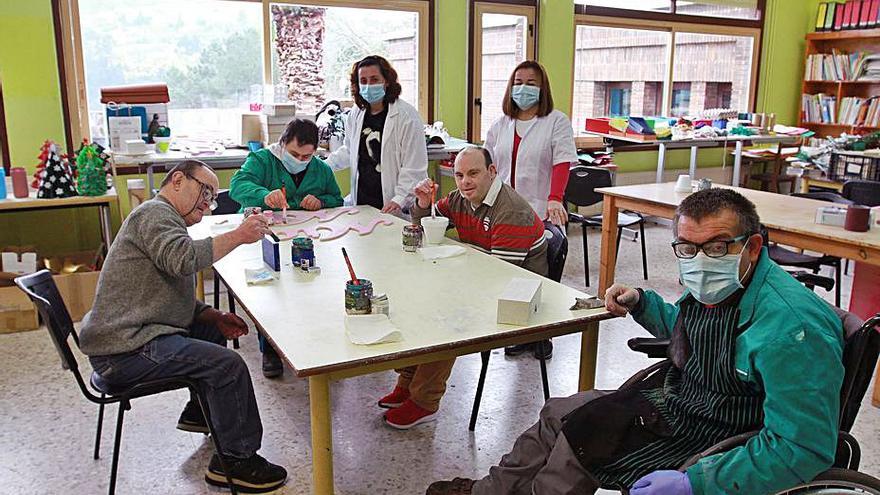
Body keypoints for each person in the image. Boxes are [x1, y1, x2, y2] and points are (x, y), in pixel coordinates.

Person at [426, 188, 844, 495]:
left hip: (720, 430)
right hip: (685, 401)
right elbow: (692, 333)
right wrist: (643, 304)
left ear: (752, 246)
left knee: (583, 438)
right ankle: (489, 491)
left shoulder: (791, 331)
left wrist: (694, 483)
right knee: (558, 411)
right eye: (687, 248)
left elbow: (802, 448)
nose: (700, 262)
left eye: (716, 247)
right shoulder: (727, 283)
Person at [79, 160, 288, 493]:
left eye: (211, 196)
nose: (207, 203)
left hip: (129, 336)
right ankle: (235, 461)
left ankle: (199, 411)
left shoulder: (163, 218)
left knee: (212, 330)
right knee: (229, 365)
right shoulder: (154, 215)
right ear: (177, 180)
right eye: (203, 191)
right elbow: (183, 260)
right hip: (123, 352)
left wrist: (210, 315)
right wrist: (238, 235)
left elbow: (160, 293)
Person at [379, 146, 548, 430]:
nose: (465, 181)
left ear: (492, 172)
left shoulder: (511, 210)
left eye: (473, 173)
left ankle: (425, 401)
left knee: (446, 314)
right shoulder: (460, 199)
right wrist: (421, 204)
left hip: (517, 294)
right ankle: (408, 382)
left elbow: (500, 276)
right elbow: (425, 225)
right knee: (417, 297)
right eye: (459, 175)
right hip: (485, 276)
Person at [230, 118, 344, 378]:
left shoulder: (320, 169)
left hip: (307, 238)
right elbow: (237, 187)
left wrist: (321, 200)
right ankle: (269, 348)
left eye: (307, 156)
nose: (300, 160)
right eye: (294, 154)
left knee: (313, 285)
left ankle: (314, 338)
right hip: (266, 237)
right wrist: (263, 194)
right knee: (271, 290)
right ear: (282, 145)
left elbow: (336, 199)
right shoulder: (261, 160)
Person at [484, 60, 578, 361]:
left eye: (531, 83)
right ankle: (519, 334)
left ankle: (543, 334)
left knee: (543, 275)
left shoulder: (556, 121)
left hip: (541, 208)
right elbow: (489, 167)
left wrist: (554, 198)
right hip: (504, 212)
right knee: (511, 274)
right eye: (518, 82)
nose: (523, 88)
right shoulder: (500, 125)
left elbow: (562, 162)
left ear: (543, 88)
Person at [325, 54, 428, 214]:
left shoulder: (406, 116)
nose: (368, 86)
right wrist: (322, 166)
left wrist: (399, 199)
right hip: (362, 202)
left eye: (374, 79)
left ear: (386, 81)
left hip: (394, 205)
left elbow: (414, 167)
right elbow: (350, 150)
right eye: (363, 81)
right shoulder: (356, 113)